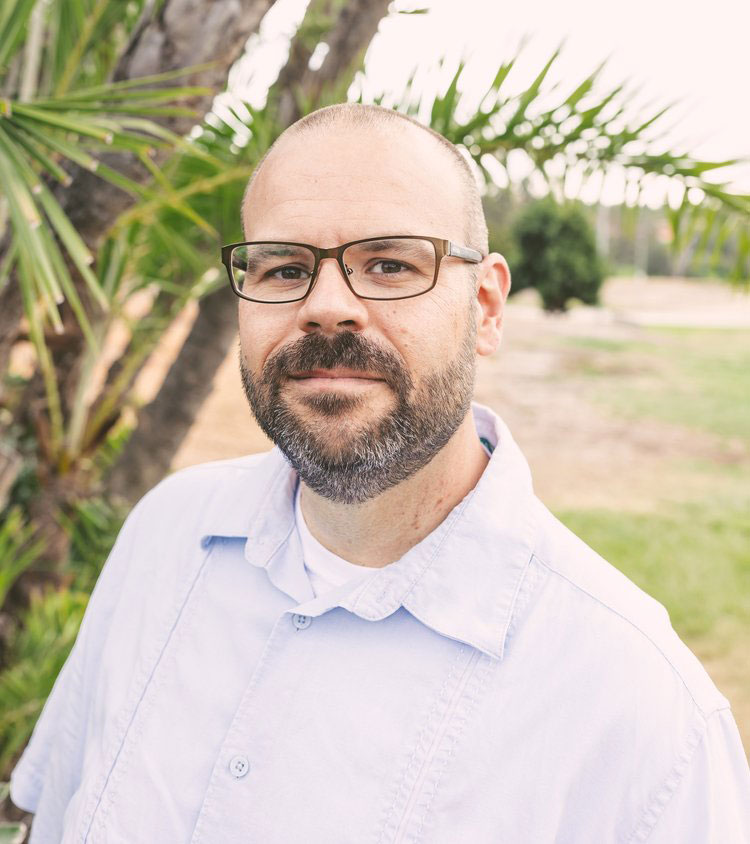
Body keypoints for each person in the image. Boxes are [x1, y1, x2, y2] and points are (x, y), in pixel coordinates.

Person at [10, 103, 750, 842]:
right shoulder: (167, 535)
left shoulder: (643, 715)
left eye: (391, 264)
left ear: (486, 306)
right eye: (284, 267)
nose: (327, 308)